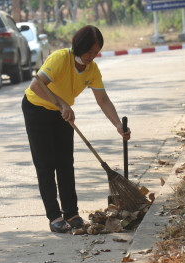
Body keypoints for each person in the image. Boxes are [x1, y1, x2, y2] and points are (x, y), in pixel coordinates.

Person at [22, 25, 131, 233]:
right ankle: (54, 217)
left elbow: (103, 99)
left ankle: (71, 214)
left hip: (62, 111)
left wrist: (118, 124)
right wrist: (62, 104)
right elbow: (37, 84)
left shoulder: (92, 70)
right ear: (78, 47)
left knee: (65, 162)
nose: (92, 56)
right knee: (46, 164)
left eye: (96, 52)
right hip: (37, 108)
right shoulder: (60, 59)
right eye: (89, 51)